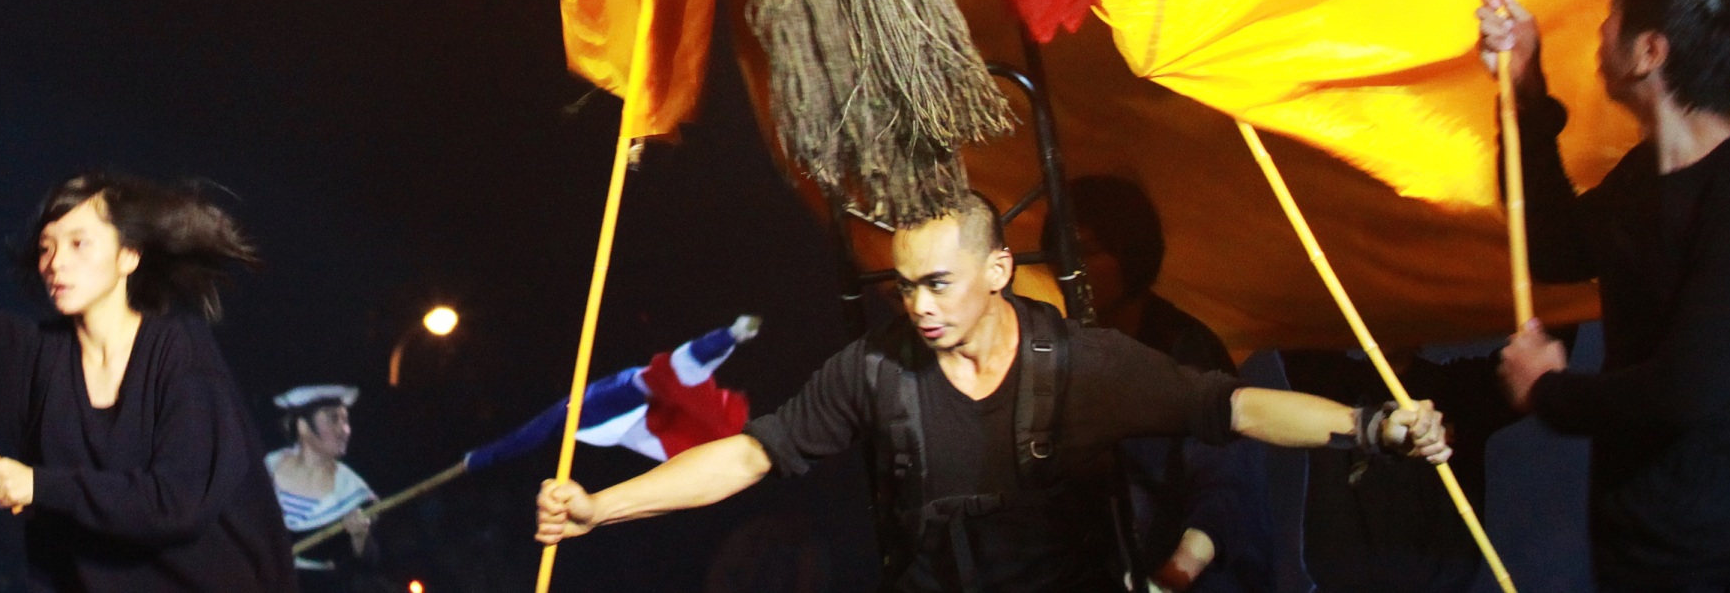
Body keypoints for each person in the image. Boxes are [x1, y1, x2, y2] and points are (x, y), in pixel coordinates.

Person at [532, 195, 1448, 593]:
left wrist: (1374, 426)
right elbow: (751, 453)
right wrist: (600, 507)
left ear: (1000, 270)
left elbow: (1236, 409)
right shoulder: (875, 370)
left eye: (938, 283)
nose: (918, 307)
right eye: (904, 286)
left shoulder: (1086, 362)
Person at [1478, 0, 1730, 590]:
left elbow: (1685, 388)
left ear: (1650, 50)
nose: (1601, 29)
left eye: (1615, 10)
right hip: (1656, 539)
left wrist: (1547, 390)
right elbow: (1555, 246)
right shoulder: (1644, 176)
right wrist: (1528, 92)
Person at [0, 156, 299, 593]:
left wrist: (39, 486)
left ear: (128, 257)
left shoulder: (180, 351)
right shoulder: (41, 358)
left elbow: (177, 500)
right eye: (46, 247)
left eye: (78, 243)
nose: (55, 262)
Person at [1066, 177, 1270, 593]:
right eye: (1062, 253)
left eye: (1086, 252)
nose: (1072, 271)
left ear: (1131, 255)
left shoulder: (1186, 352)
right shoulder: (1069, 351)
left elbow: (1226, 487)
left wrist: (1176, 574)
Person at [1276, 347, 1514, 593]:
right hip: (1347, 579)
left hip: (1442, 582)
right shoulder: (1328, 380)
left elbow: (1531, 355)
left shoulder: (1461, 388)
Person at [263, 386, 372, 574]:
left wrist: (360, 537)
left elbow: (368, 563)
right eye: (333, 419)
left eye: (346, 420)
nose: (344, 430)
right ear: (303, 426)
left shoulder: (353, 493)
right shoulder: (265, 469)